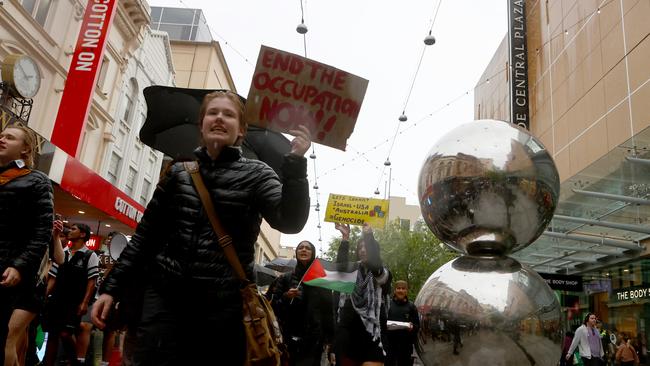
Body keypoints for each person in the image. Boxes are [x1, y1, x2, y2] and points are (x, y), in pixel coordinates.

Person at [91, 90, 311, 365]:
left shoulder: (258, 174)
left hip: (222, 311)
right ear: (202, 124)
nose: (220, 118)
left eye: (229, 114)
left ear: (241, 130)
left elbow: (290, 222)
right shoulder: (178, 173)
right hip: (164, 304)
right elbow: (145, 239)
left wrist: (296, 164)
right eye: (213, 112)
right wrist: (111, 288)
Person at [0, 123, 54, 364]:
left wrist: (19, 266)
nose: (2, 139)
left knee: (6, 340)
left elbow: (42, 231)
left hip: (22, 277)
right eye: (1, 135)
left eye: (10, 138)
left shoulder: (38, 181)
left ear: (25, 149)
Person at [269, 240, 335, 366]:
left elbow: (327, 311)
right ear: (296, 252)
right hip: (289, 338)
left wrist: (330, 340)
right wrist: (286, 296)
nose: (304, 250)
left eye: (308, 248)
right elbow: (273, 307)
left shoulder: (321, 281)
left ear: (313, 253)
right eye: (301, 248)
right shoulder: (285, 279)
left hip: (314, 339)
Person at [43, 223, 99, 366]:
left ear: (82, 234)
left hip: (74, 302)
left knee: (65, 334)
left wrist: (85, 302)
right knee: (53, 335)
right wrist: (44, 296)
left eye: (74, 229)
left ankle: (75, 361)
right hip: (57, 300)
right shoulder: (61, 252)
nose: (69, 231)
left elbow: (92, 282)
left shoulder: (90, 255)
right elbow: (53, 278)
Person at [335, 223, 391, 366]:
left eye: (366, 247)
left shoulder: (382, 273)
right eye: (360, 248)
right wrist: (345, 238)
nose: (363, 250)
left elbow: (375, 265)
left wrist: (368, 235)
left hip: (372, 332)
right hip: (349, 332)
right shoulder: (351, 271)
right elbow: (340, 268)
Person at [385, 280, 419, 366]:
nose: (401, 290)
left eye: (403, 288)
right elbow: (380, 322)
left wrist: (412, 327)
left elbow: (417, 326)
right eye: (398, 288)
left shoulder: (411, 306)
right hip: (389, 346)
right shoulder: (387, 304)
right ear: (395, 290)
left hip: (405, 347)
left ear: (406, 290)